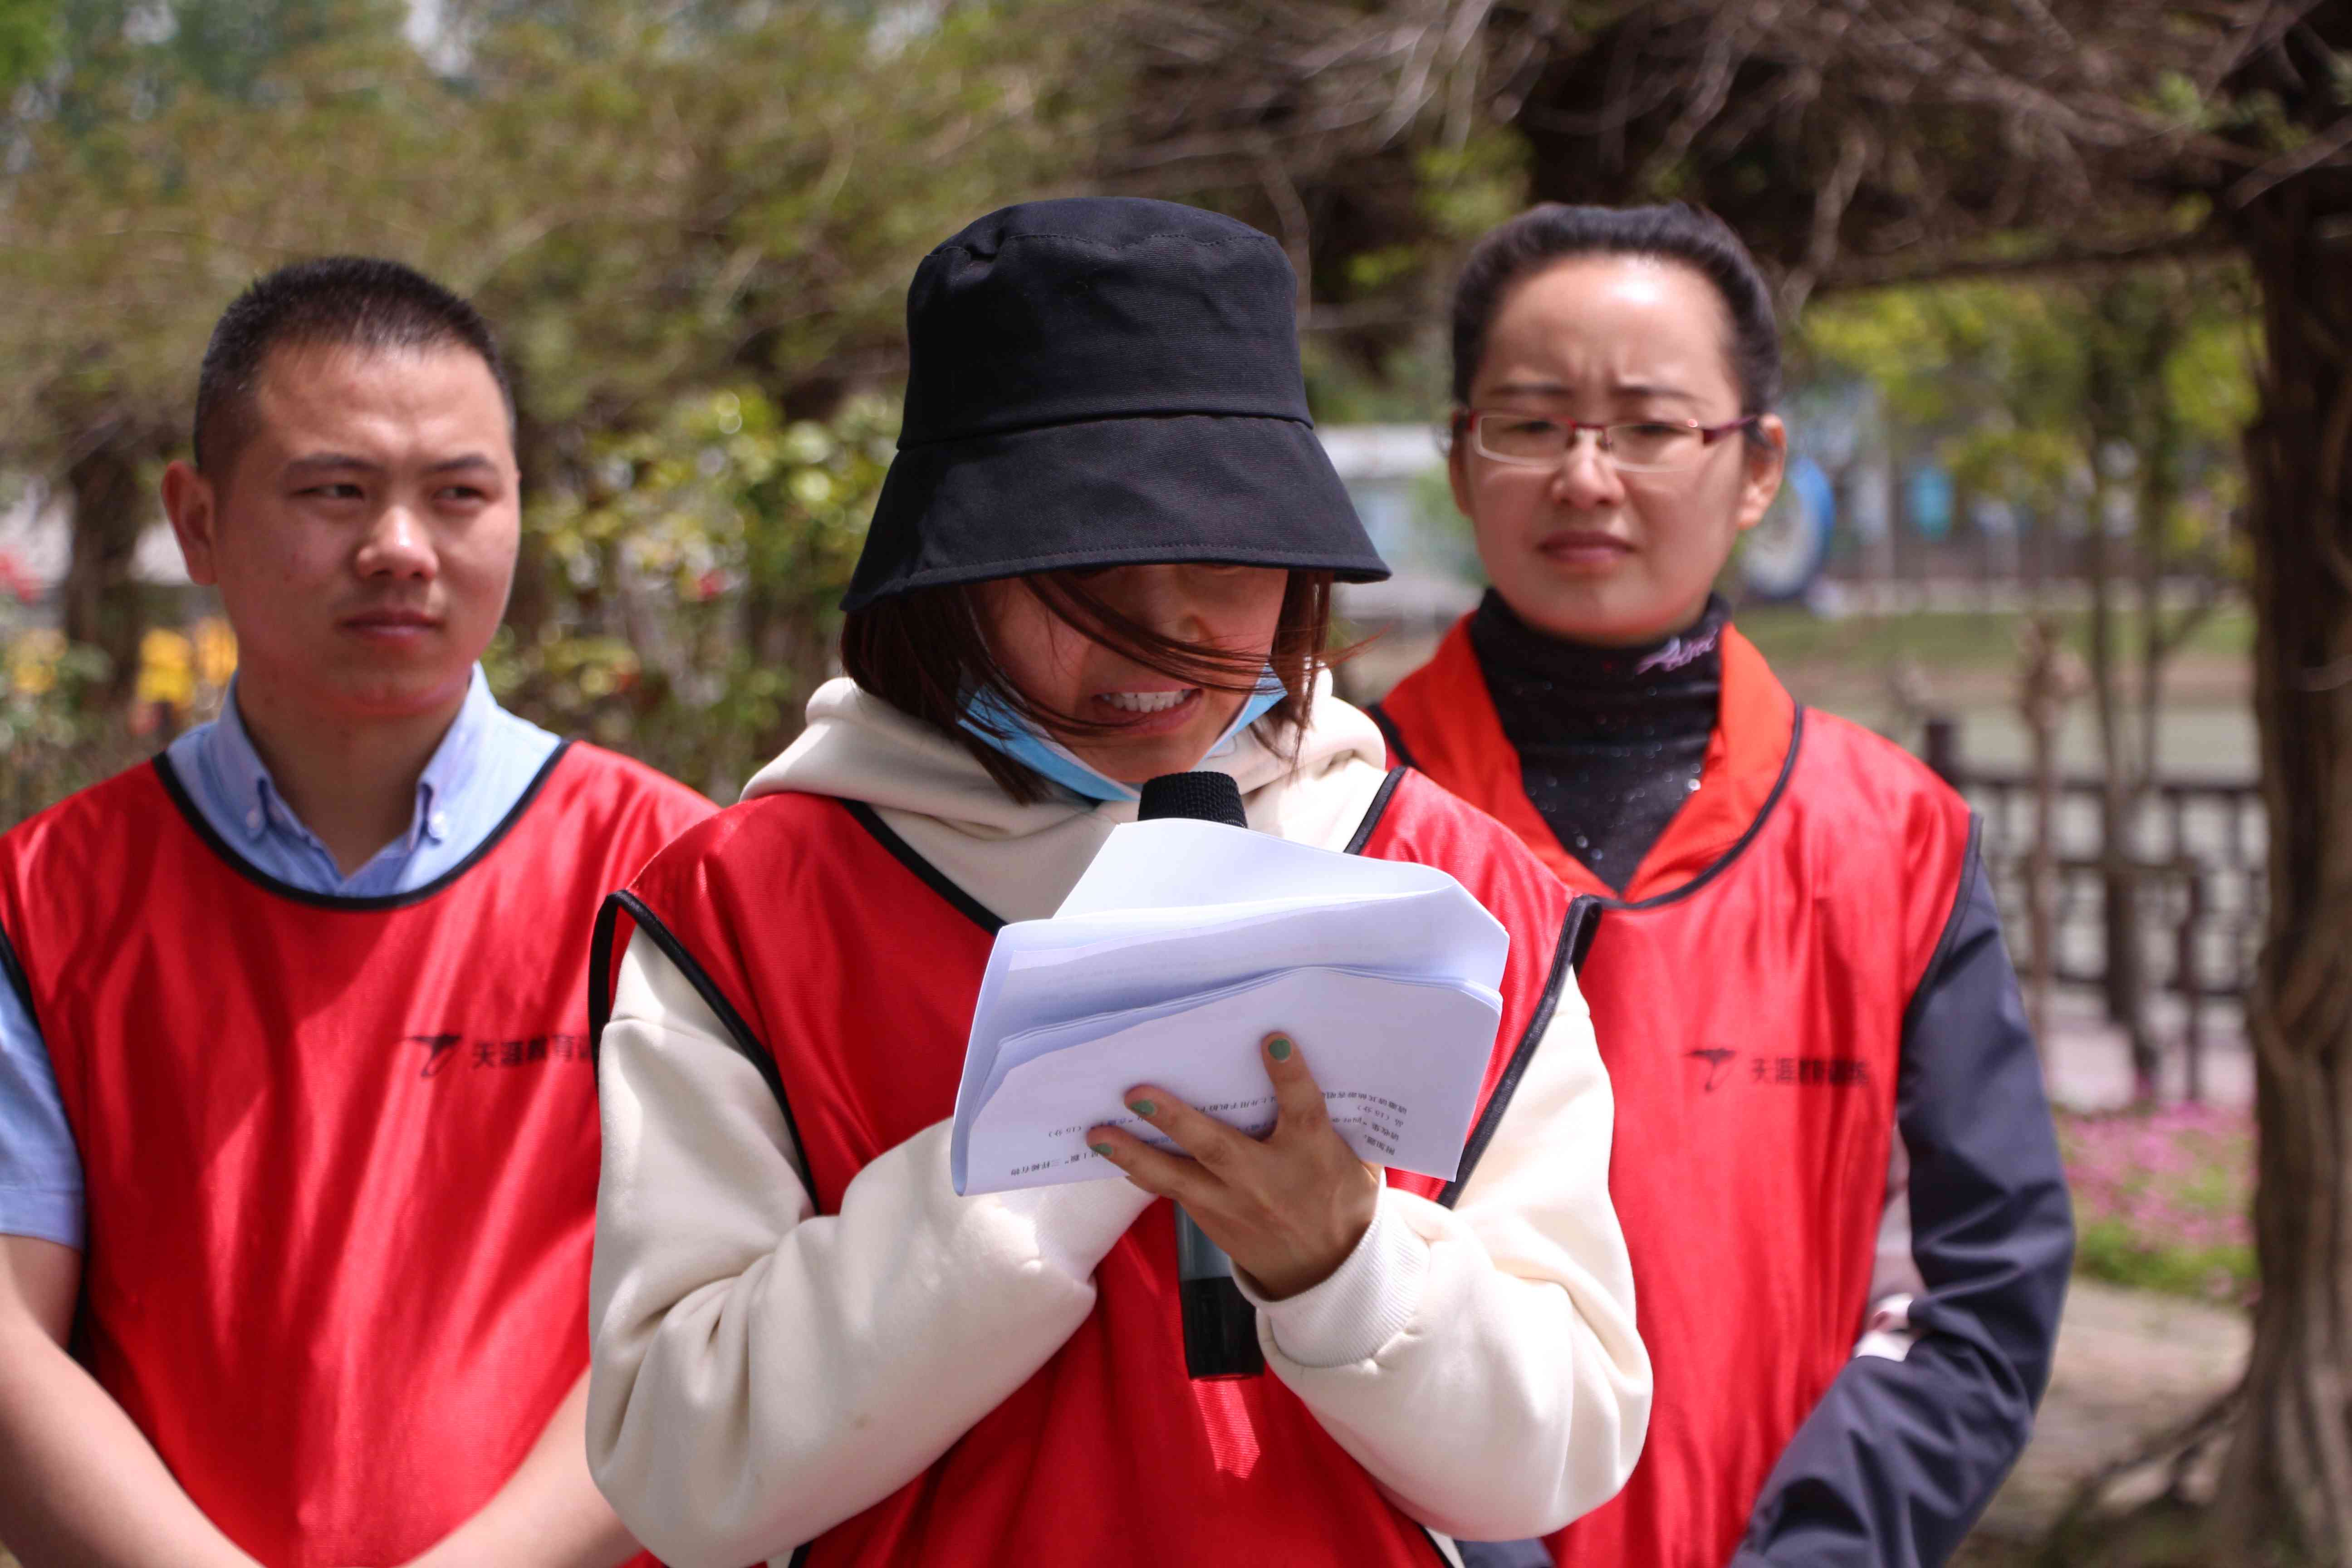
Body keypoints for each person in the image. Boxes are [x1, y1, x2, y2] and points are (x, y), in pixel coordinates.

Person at [583, 196, 1652, 1568]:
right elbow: (678, 1473)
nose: (1163, 625)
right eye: (1078, 561)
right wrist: (1044, 1165)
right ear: (948, 571)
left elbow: (1558, 1457)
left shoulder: (1459, 888)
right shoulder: (744, 909)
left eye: (1221, 550)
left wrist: (1344, 1267)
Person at [1368, 203, 2075, 1568]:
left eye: (1647, 425)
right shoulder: (1342, 825)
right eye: (1531, 421)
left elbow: (1976, 1286)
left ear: (1759, 467)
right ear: (1463, 460)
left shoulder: (1895, 839)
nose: (1586, 475)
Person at [0, 258, 711, 1568]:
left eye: (459, 495)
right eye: (336, 491)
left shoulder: (675, 873)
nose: (400, 546)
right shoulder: (41, 902)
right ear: (199, 521)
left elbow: (723, 1314)